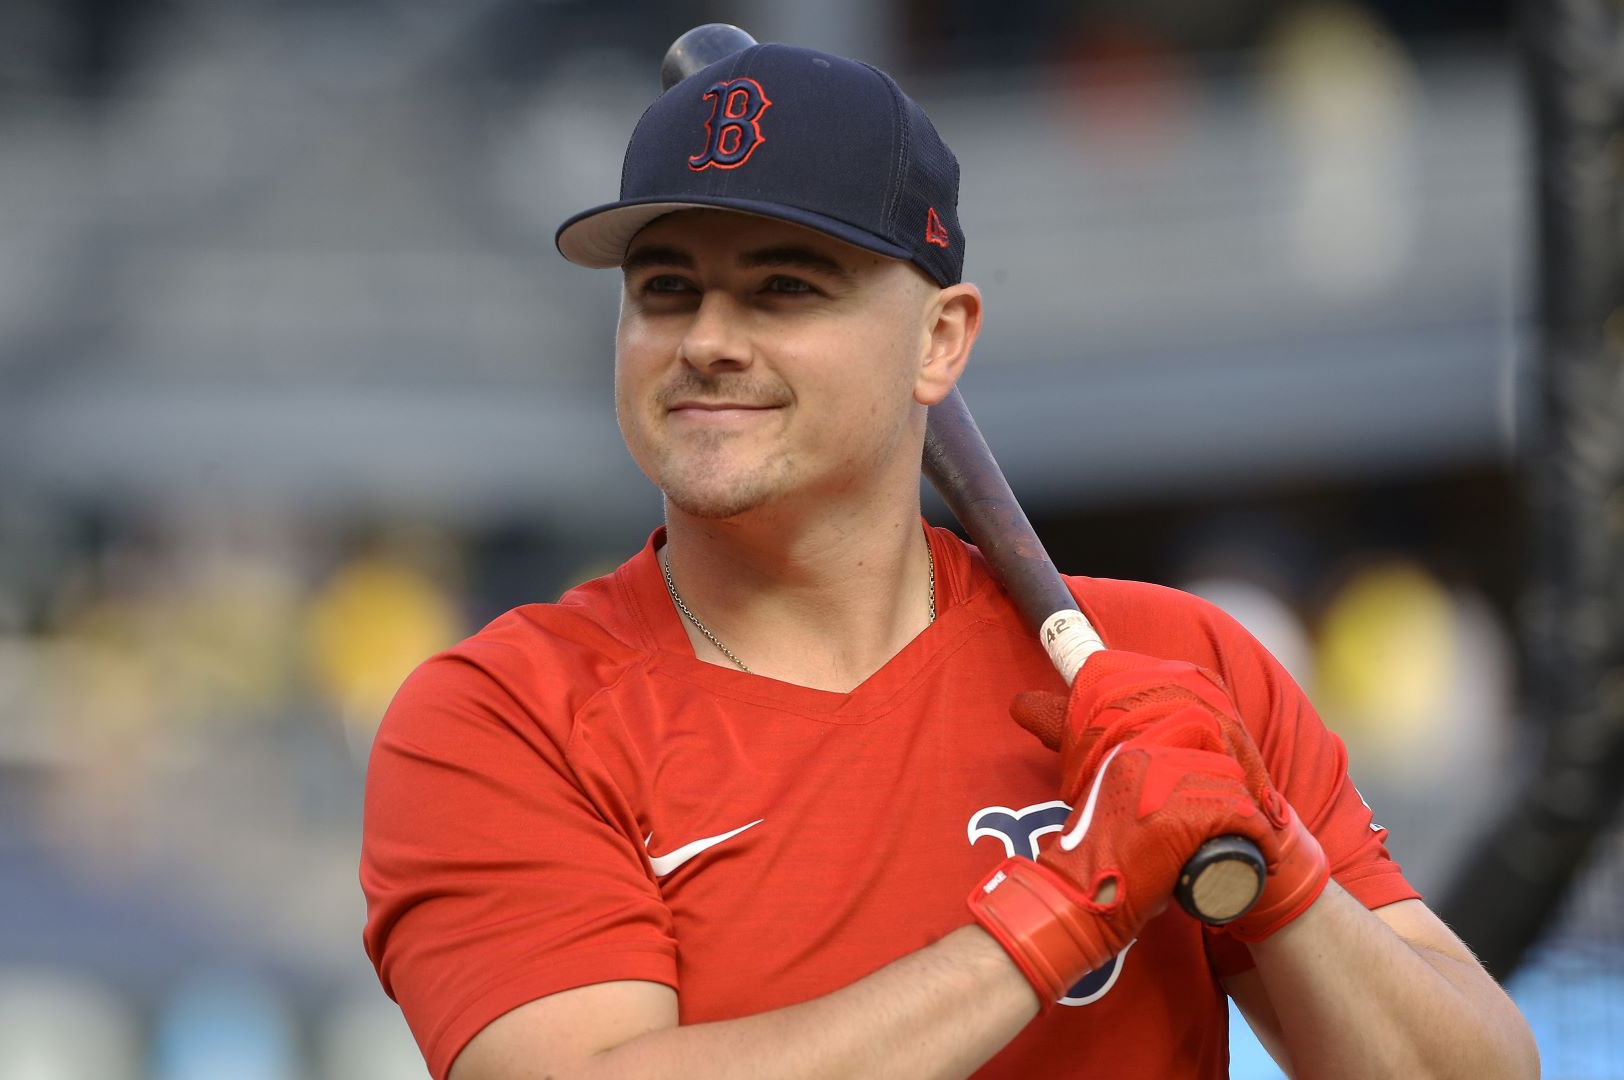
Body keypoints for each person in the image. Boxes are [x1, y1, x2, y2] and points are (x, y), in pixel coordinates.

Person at [360, 41, 1537, 1080]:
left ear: (941, 340)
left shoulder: (1180, 669)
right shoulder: (504, 716)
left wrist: (1279, 877)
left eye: (783, 289)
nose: (709, 341)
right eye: (667, 290)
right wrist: (1073, 900)